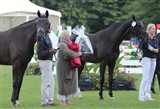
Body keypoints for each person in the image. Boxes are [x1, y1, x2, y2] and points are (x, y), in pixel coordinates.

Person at [56, 30, 82, 106]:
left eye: (69, 35)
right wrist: (78, 54)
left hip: (69, 66)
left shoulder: (68, 43)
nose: (68, 36)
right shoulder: (62, 44)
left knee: (68, 83)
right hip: (63, 67)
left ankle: (66, 100)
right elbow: (67, 53)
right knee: (63, 83)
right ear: (63, 36)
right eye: (67, 35)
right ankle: (62, 101)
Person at [37, 23, 57, 106]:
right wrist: (49, 51)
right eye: (50, 27)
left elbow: (48, 49)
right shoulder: (41, 39)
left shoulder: (46, 37)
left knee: (51, 82)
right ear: (47, 28)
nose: (51, 28)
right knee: (46, 82)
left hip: (48, 61)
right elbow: (40, 53)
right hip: (44, 61)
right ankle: (44, 102)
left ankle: (49, 100)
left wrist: (52, 50)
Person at [138, 23, 159, 101]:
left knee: (150, 78)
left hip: (153, 59)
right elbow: (139, 50)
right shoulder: (144, 39)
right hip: (146, 59)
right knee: (145, 78)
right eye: (153, 29)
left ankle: (147, 96)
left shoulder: (155, 40)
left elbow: (157, 50)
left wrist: (152, 49)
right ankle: (141, 96)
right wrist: (139, 55)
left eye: (155, 29)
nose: (154, 30)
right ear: (149, 30)